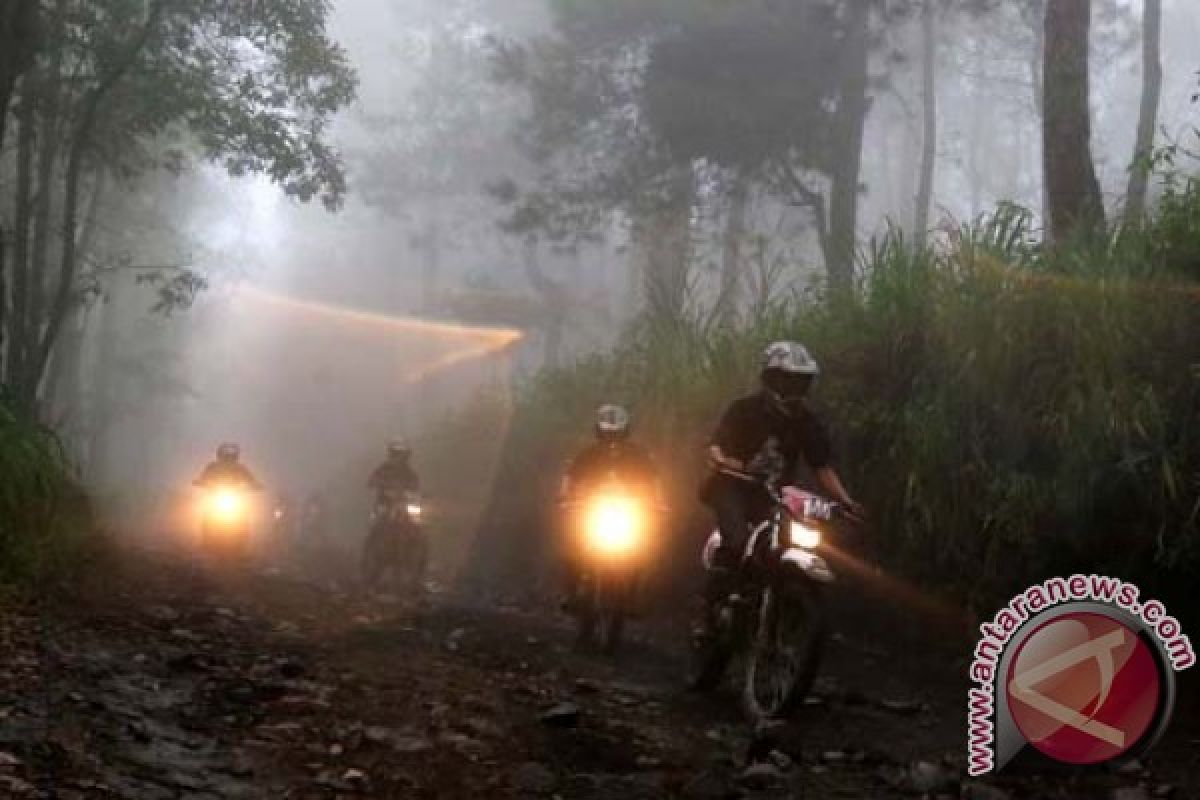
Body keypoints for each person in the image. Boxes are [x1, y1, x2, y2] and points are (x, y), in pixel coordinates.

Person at [700, 341, 863, 602]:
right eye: (787, 382)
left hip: (773, 496)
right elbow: (716, 445)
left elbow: (821, 466)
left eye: (800, 382)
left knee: (790, 541)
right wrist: (722, 461)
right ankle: (713, 608)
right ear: (771, 380)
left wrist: (846, 501)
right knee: (737, 542)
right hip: (732, 487)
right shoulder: (743, 410)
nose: (794, 390)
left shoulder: (806, 421)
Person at [558, 404, 662, 611]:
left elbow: (653, 478)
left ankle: (633, 595)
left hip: (627, 512)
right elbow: (570, 475)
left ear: (625, 432)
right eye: (608, 434)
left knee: (642, 551)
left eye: (617, 434)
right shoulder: (588, 453)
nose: (612, 440)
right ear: (599, 432)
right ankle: (572, 591)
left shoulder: (638, 454)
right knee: (572, 548)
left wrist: (658, 501)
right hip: (592, 510)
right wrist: (565, 495)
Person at [194, 442, 262, 489]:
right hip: (214, 495)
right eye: (225, 458)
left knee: (249, 508)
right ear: (220, 457)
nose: (227, 461)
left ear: (235, 459)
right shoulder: (212, 467)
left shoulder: (240, 468)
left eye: (230, 459)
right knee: (200, 507)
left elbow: (250, 478)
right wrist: (200, 481)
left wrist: (255, 484)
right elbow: (203, 477)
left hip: (236, 497)